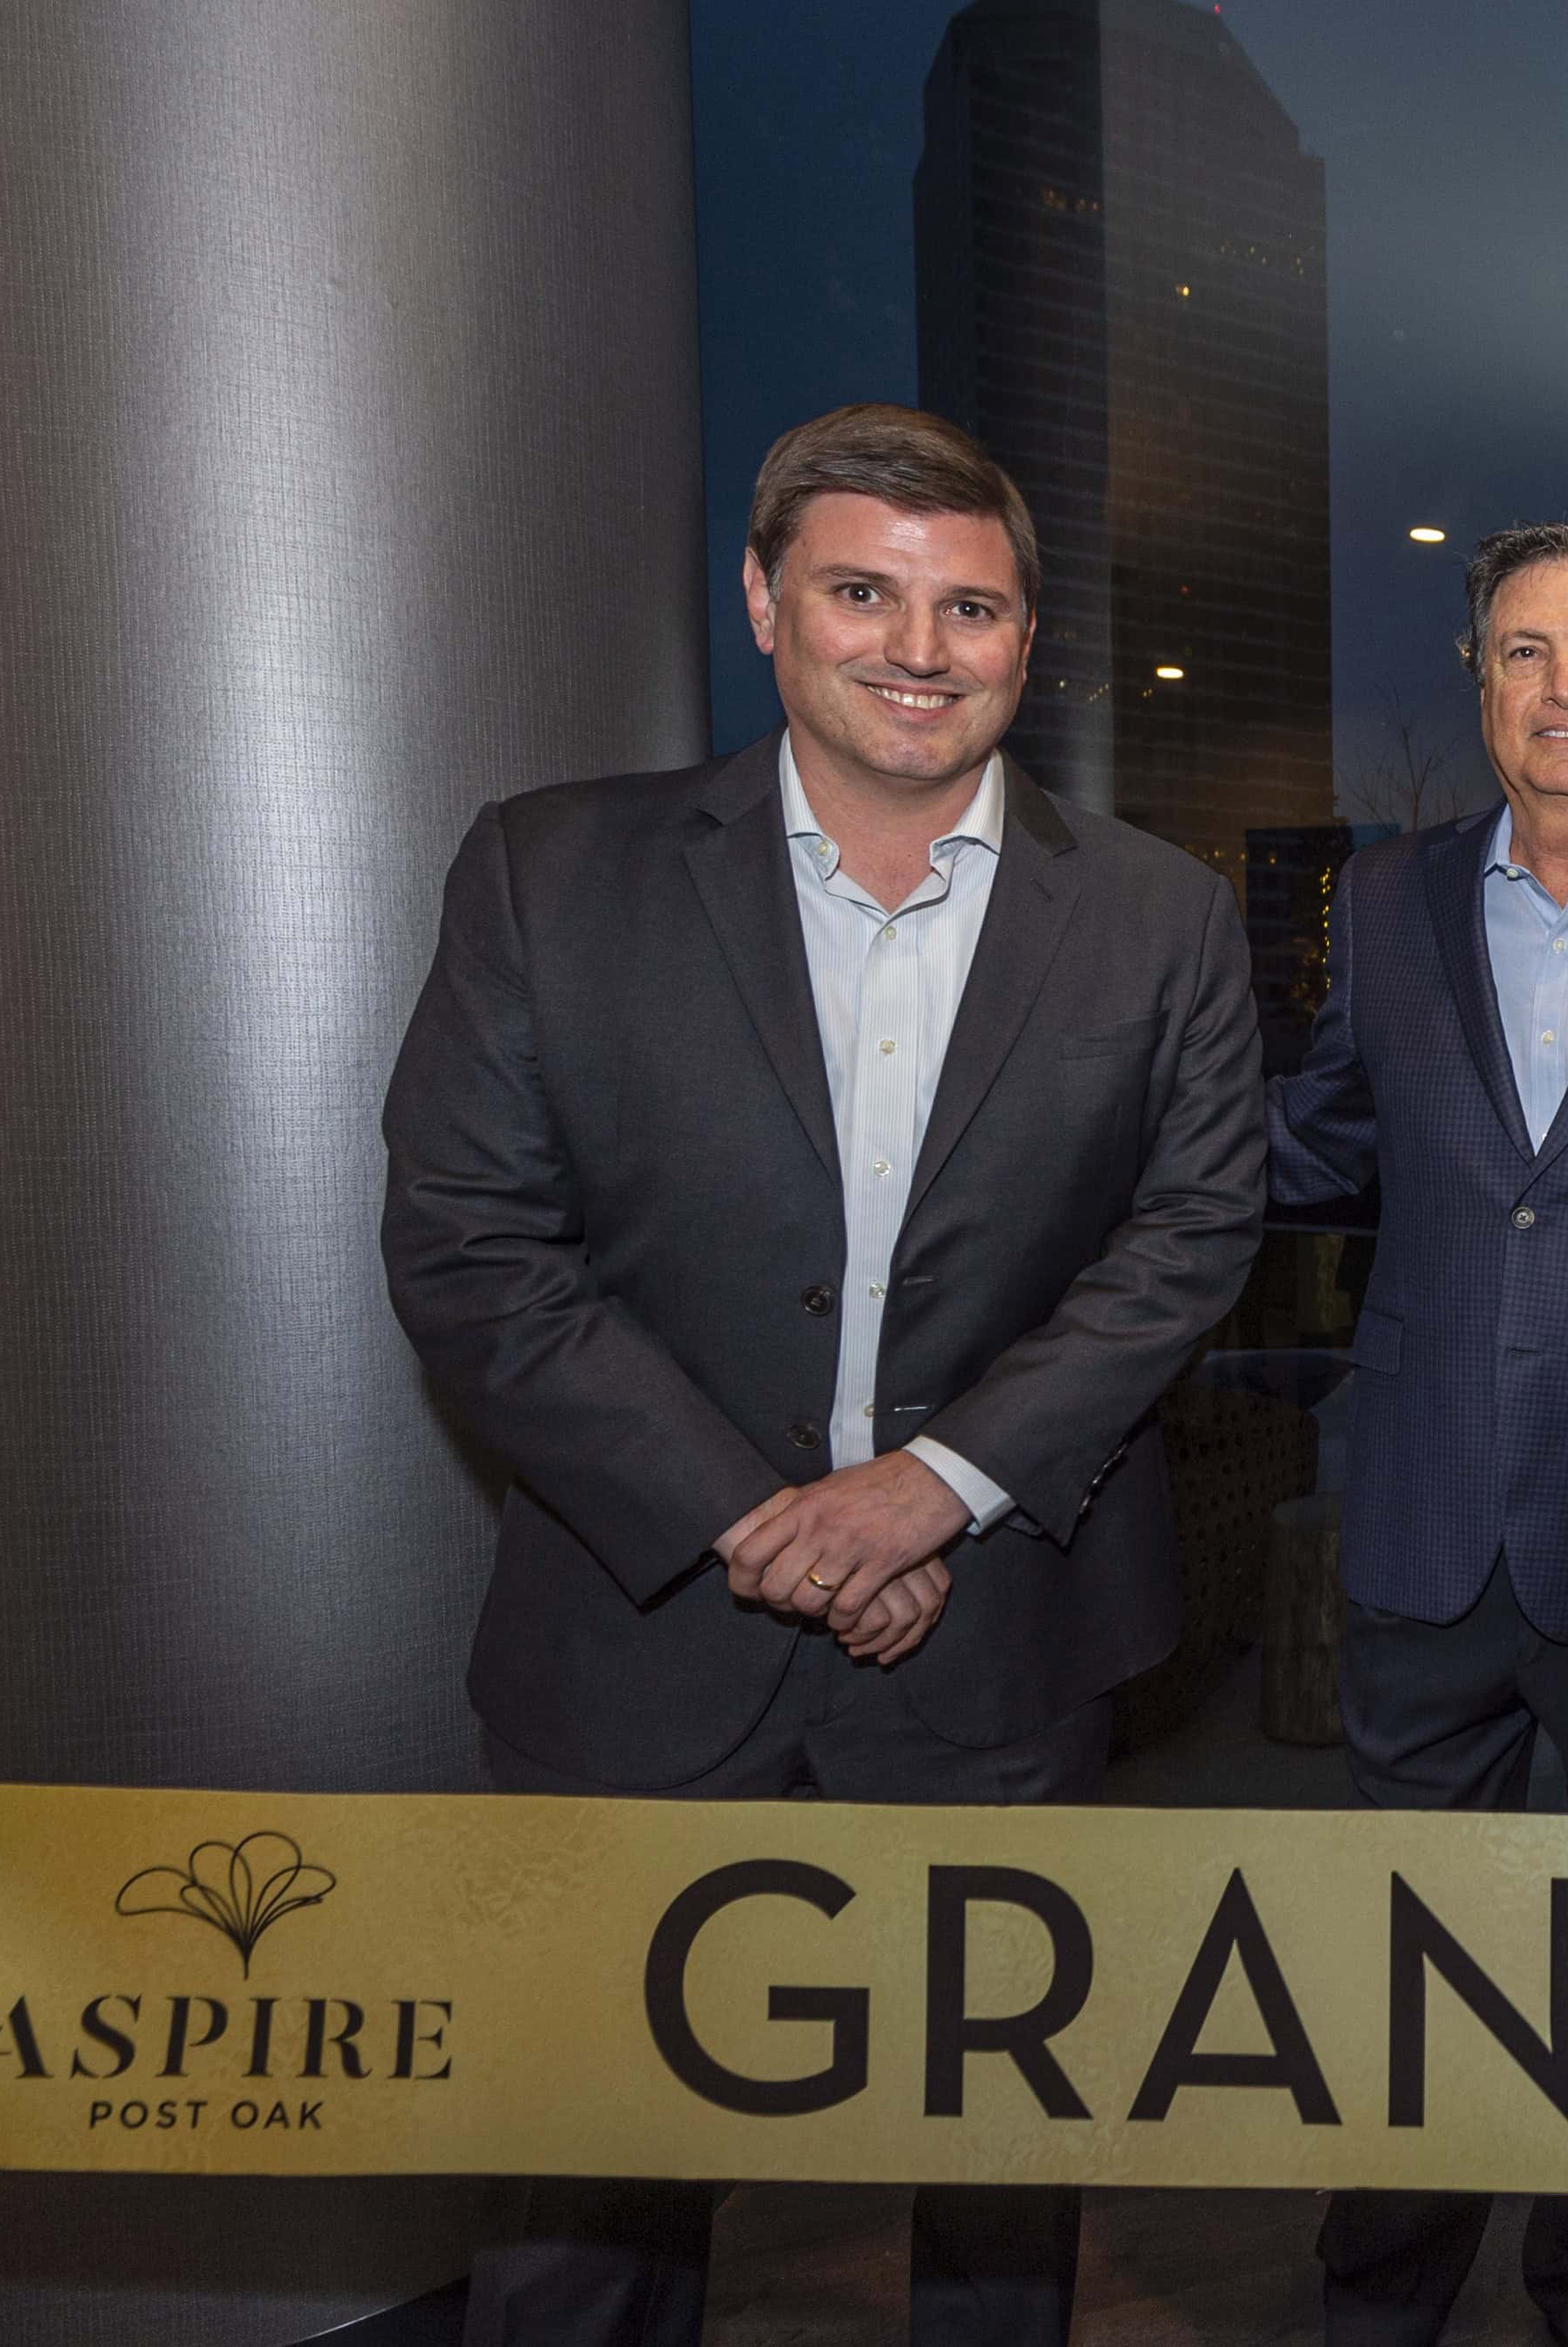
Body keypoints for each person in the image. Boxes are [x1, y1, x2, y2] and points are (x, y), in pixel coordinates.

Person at [380, 402, 1265, 2347]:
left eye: (972, 609)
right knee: (587, 2201)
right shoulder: (552, 872)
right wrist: (761, 1521)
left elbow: (1191, 1237)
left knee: (996, 2192)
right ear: (766, 602)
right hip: (639, 1641)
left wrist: (931, 1493)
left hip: (999, 1643)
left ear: (1026, 641)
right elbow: (472, 1246)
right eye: (864, 593)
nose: (918, 648)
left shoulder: (1158, 914)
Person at [1264, 522, 1568, 2347]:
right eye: (1525, 653)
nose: (1564, 691)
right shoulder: (1386, 903)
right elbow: (1319, 1143)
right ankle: (1381, 2299)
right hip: (1426, 1519)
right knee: (1409, 1960)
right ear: (1480, 683)